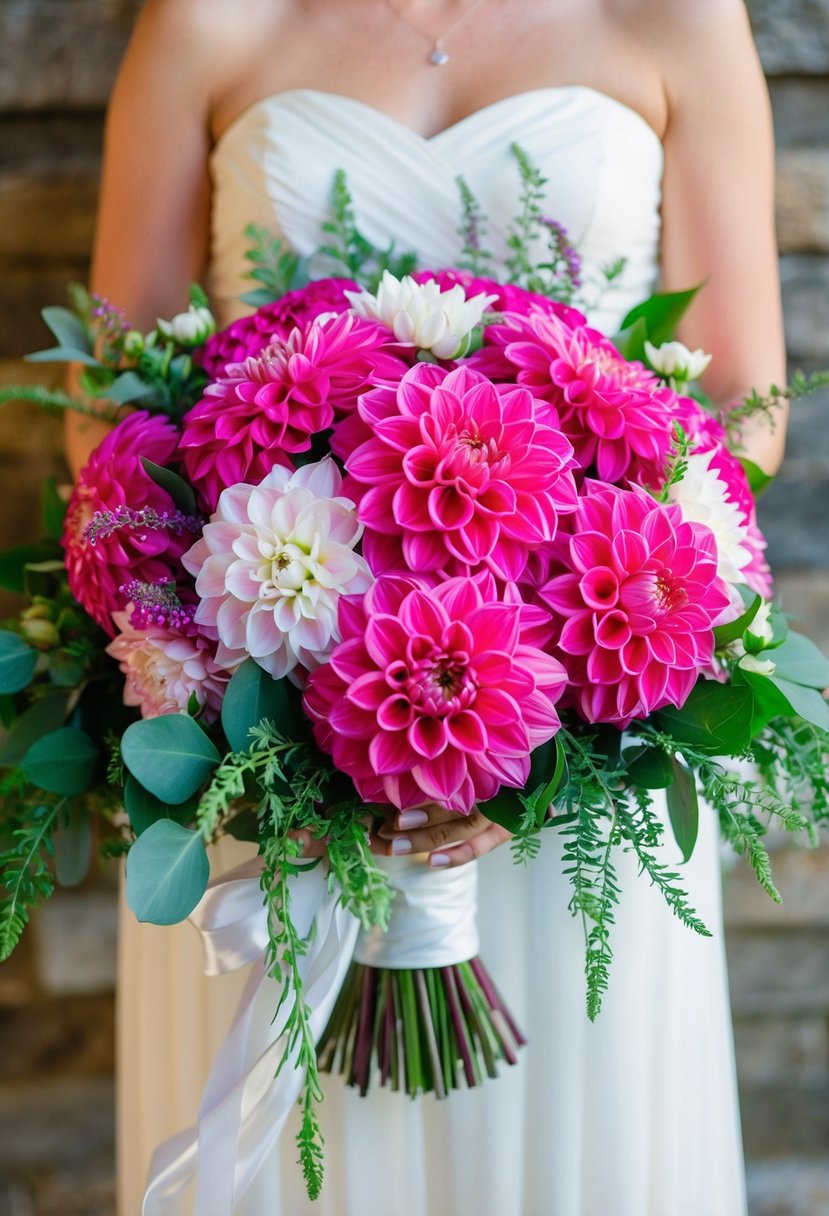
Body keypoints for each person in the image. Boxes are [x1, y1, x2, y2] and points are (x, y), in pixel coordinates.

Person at [66, 2, 787, 1213]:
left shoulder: (676, 16)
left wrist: (554, 709)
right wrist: (282, 712)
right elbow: (112, 411)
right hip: (268, 758)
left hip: (575, 751)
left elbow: (743, 413)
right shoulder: (202, 20)